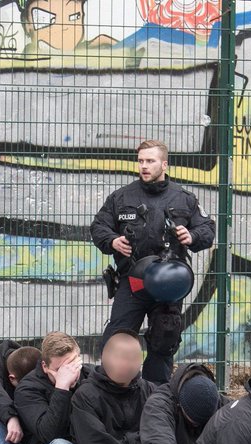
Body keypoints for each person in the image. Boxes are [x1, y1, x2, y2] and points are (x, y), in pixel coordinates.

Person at [91, 139, 216, 383]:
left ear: (164, 164)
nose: (144, 166)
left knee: (164, 340)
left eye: (150, 161)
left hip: (169, 285)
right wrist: (113, 241)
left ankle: (155, 397)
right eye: (140, 161)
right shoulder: (121, 197)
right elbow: (98, 227)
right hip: (133, 283)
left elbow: (208, 230)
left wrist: (191, 236)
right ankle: (109, 393)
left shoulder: (184, 199)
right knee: (117, 339)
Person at [14, 332, 112, 444]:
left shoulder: (92, 377)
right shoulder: (27, 389)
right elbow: (48, 435)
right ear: (45, 366)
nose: (71, 373)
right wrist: (62, 388)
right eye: (61, 369)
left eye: (73, 364)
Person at [69, 330, 160, 444]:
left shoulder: (150, 391)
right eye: (121, 358)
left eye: (134, 358)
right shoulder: (85, 395)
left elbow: (158, 432)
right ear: (104, 357)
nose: (127, 364)